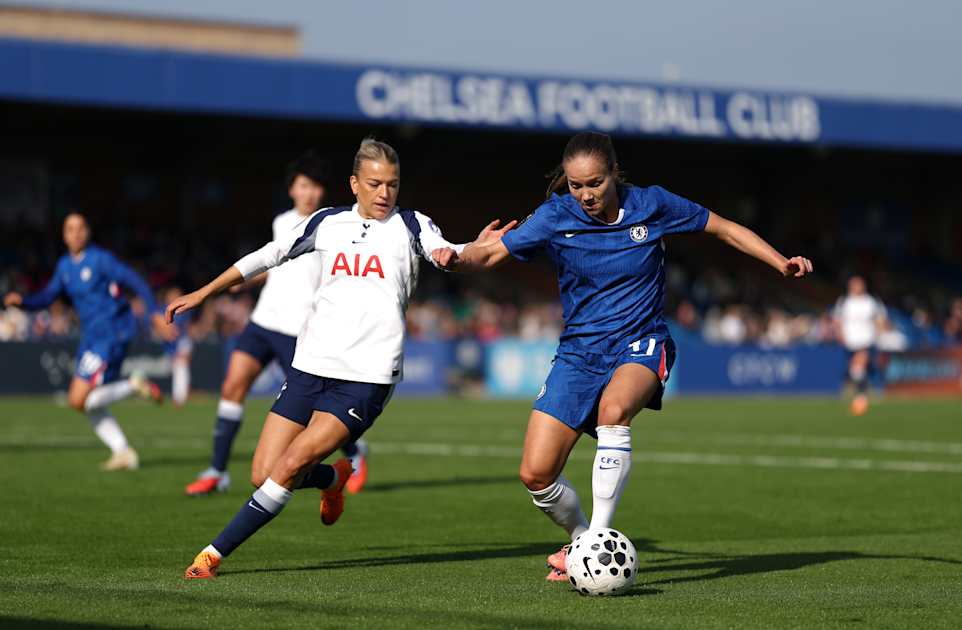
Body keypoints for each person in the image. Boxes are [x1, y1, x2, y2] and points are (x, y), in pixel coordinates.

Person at [437, 131, 813, 582]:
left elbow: (724, 228)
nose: (585, 194)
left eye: (594, 183)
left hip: (641, 342)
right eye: (575, 185)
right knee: (535, 474)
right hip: (578, 354)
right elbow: (491, 252)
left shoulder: (652, 204)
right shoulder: (556, 216)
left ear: (614, 173)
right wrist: (456, 256)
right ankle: (581, 543)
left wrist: (779, 262)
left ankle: (598, 539)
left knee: (614, 409)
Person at [169, 138, 509, 579]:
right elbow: (266, 256)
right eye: (374, 183)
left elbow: (452, 252)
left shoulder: (411, 224)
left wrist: (472, 251)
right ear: (354, 184)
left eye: (393, 183)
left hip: (366, 377)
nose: (385, 193)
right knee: (262, 472)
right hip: (310, 366)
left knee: (289, 465)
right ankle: (332, 479)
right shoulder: (326, 223)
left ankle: (211, 556)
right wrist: (203, 291)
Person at [184, 152, 370, 496]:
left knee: (317, 407)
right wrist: (246, 280)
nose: (310, 192)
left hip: (299, 330)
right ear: (292, 190)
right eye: (303, 185)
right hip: (263, 321)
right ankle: (217, 472)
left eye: (315, 186)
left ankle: (356, 453)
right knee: (232, 387)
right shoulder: (282, 221)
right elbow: (277, 263)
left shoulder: (332, 225)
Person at [2, 213, 170, 470]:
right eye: (70, 229)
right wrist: (23, 302)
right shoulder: (65, 267)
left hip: (112, 333)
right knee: (89, 403)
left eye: (81, 228)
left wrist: (153, 312)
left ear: (88, 232)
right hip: (91, 338)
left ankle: (134, 385)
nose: (76, 233)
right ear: (64, 235)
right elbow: (48, 296)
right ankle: (123, 452)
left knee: (76, 399)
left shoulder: (101, 260)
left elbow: (134, 280)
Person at [832, 275, 886, 415]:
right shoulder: (844, 302)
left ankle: (861, 398)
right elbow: (837, 321)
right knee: (856, 370)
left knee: (858, 367)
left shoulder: (871, 302)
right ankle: (861, 392)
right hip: (850, 342)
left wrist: (878, 334)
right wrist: (840, 335)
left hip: (866, 340)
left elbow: (880, 319)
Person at [159, 286, 194, 407]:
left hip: (181, 343)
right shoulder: (162, 310)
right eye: (172, 295)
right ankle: (180, 395)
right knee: (177, 369)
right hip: (168, 346)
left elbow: (185, 331)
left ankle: (180, 397)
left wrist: (182, 349)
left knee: (181, 366)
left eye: (177, 295)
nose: (174, 298)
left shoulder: (183, 310)